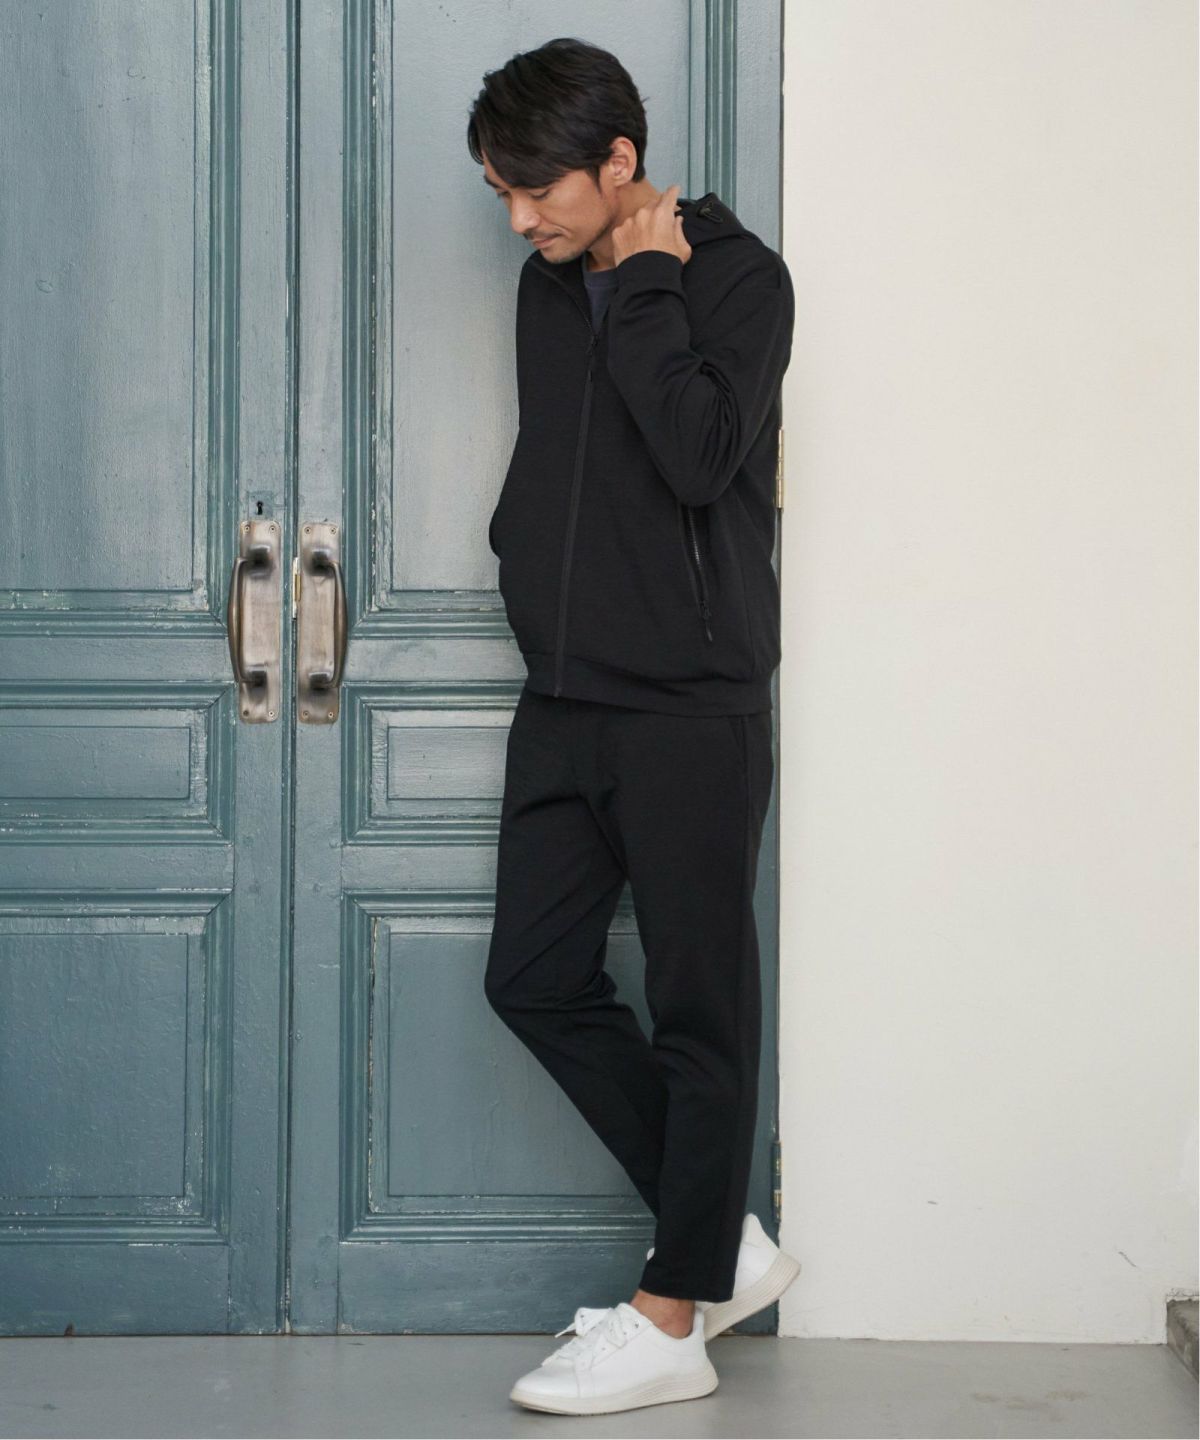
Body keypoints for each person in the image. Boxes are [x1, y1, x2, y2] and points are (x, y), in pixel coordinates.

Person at [467, 36, 801, 1416]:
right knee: (532, 977)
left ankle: (674, 1319)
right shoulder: (548, 283)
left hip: (688, 707)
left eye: (534, 188)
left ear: (620, 162)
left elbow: (702, 456)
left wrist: (652, 283)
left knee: (699, 1009)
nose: (517, 219)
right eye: (500, 192)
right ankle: (719, 1236)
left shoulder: (740, 279)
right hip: (565, 695)